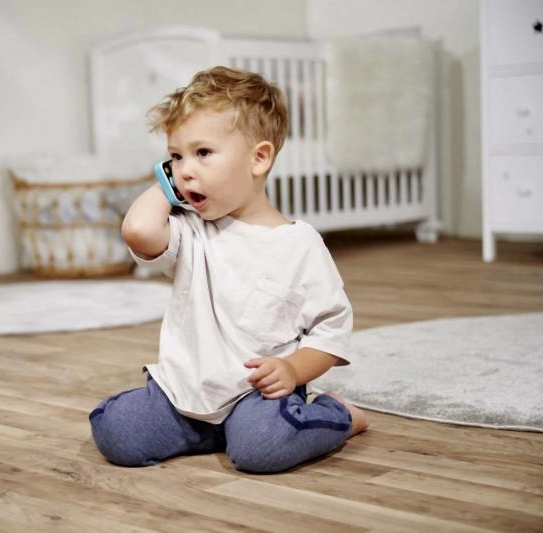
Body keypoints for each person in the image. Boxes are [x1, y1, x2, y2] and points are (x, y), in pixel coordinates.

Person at [89, 66, 368, 474]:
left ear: (259, 158)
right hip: (184, 394)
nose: (186, 170)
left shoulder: (300, 245)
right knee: (116, 432)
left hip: (256, 397)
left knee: (261, 449)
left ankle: (340, 415)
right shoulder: (191, 231)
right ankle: (209, 434)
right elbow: (138, 231)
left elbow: (331, 334)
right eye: (175, 157)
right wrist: (168, 185)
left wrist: (292, 370)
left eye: (203, 153)